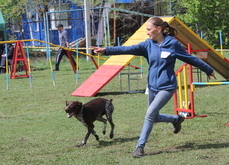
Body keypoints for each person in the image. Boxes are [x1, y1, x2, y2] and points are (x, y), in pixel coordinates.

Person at [93, 17, 216, 158]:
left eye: (149, 30)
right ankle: (176, 120)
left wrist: (208, 69)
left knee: (150, 114)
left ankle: (140, 146)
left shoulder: (173, 44)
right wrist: (106, 50)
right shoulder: (147, 45)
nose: (147, 33)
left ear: (158, 29)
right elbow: (126, 49)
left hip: (167, 87)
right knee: (154, 117)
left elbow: (191, 58)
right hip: (152, 86)